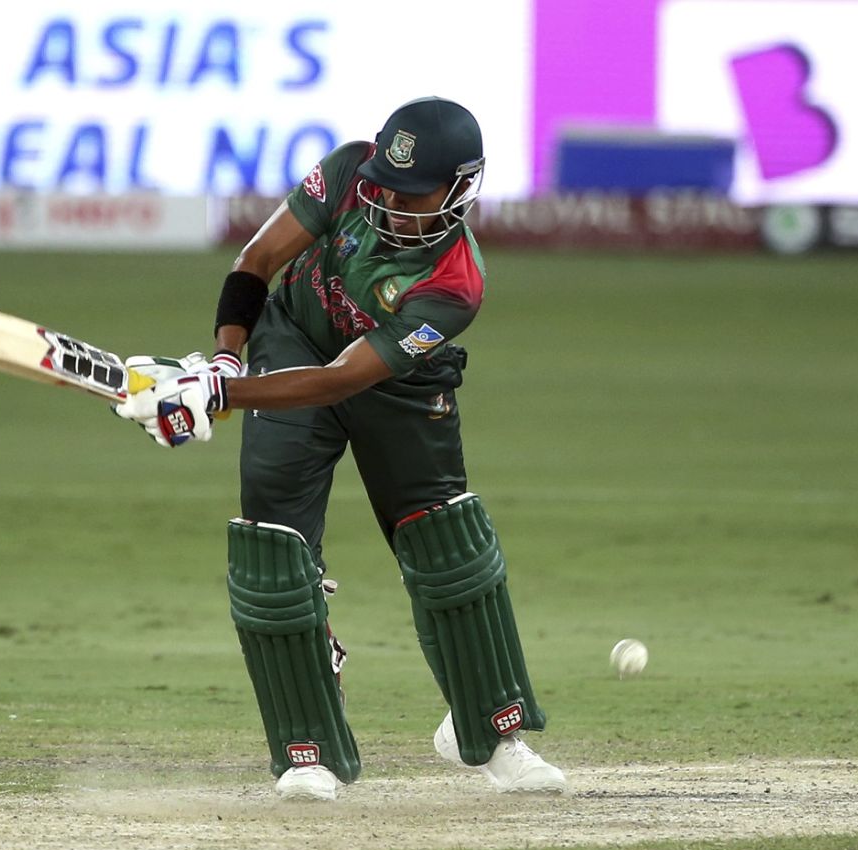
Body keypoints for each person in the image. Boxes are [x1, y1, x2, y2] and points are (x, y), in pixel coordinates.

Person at [115, 96, 567, 801]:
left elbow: (342, 380)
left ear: (459, 189)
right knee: (275, 547)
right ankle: (308, 750)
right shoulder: (351, 170)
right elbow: (257, 260)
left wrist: (222, 399)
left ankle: (487, 734)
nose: (388, 197)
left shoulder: (454, 285)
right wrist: (225, 363)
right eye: (388, 179)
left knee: (447, 544)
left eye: (412, 192)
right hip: (293, 336)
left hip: (397, 382)